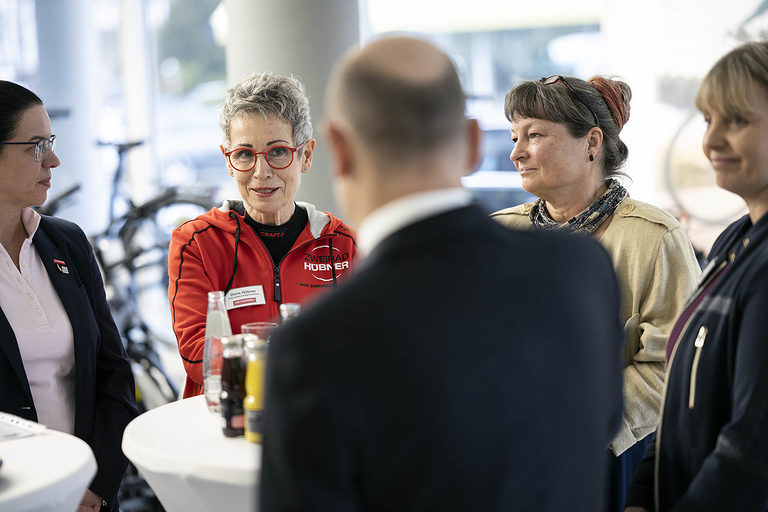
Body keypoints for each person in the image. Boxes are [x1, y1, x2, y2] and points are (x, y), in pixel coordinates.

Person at [259, 36, 625, 511]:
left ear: (338, 150)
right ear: (473, 142)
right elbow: (601, 426)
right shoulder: (580, 270)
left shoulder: (314, 347)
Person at [490, 74, 700, 510]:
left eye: (534, 135)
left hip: (611, 459)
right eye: (515, 136)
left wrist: (576, 423)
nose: (516, 152)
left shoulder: (653, 237)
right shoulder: (498, 233)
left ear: (592, 143)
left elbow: (673, 368)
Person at [625, 41, 768, 512]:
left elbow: (750, 453)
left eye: (738, 121)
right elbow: (681, 406)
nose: (711, 142)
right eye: (709, 120)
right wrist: (643, 497)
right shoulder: (735, 240)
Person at [168, 72, 357, 398]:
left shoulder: (342, 245)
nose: (261, 171)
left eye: (278, 151)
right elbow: (200, 356)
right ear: (228, 161)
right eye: (244, 154)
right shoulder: (196, 243)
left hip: (318, 428)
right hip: (223, 431)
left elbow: (365, 348)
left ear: (306, 155)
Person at [0, 81, 138, 511]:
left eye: (51, 143)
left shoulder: (67, 242)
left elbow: (114, 373)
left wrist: (93, 488)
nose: (54, 160)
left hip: (86, 497)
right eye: (36, 146)